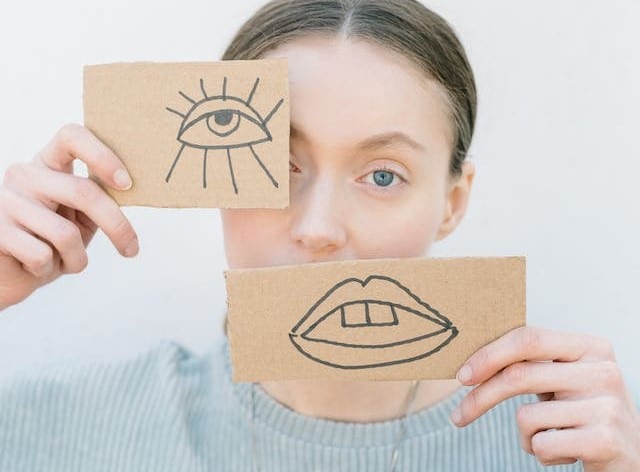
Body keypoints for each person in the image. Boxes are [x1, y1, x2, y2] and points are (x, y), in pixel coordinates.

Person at [0, 1, 638, 470]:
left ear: (452, 203)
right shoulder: (65, 429)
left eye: (382, 174)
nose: (319, 229)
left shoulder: (565, 448)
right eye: (276, 165)